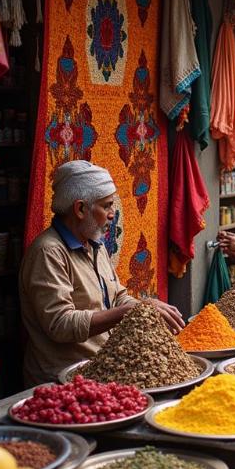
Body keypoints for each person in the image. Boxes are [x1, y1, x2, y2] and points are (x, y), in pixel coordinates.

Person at [19, 161, 184, 386]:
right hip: (60, 380)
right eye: (106, 206)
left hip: (97, 369)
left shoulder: (95, 245)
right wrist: (133, 309)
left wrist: (145, 308)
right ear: (80, 209)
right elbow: (60, 324)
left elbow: (117, 296)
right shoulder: (48, 252)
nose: (112, 214)